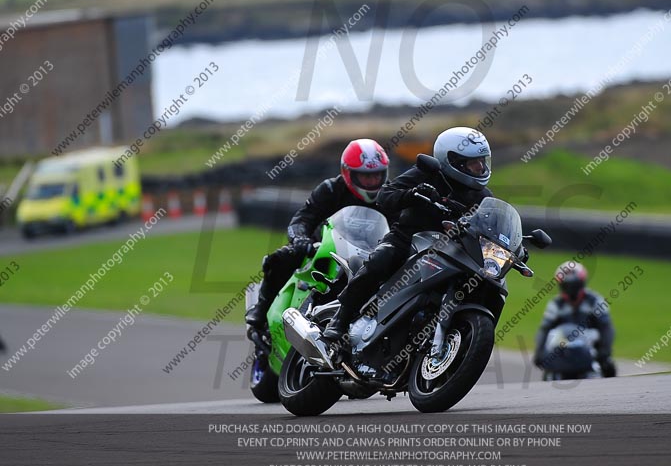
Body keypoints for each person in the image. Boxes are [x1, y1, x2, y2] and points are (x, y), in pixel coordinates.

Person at [322, 127, 494, 340]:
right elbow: (385, 196)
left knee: (482, 280)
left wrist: (514, 244)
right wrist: (412, 194)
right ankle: (341, 317)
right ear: (454, 161)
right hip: (408, 240)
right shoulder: (427, 173)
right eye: (473, 163)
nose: (480, 167)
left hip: (452, 251)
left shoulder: (483, 196)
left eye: (482, 161)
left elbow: (489, 224)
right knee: (381, 259)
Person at [245, 139, 390, 334]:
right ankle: (261, 309)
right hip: (324, 248)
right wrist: (300, 239)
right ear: (348, 173)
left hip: (370, 254)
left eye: (377, 176)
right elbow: (303, 219)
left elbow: (402, 224)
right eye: (366, 177)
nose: (372, 182)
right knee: (283, 257)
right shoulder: (330, 190)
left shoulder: (390, 194)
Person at [533, 261, 616, 378]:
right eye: (566, 285)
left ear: (581, 283)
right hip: (563, 348)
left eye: (574, 285)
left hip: (591, 348)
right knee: (547, 370)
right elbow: (545, 329)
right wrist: (539, 352)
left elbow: (606, 327)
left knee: (608, 366)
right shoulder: (556, 304)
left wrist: (605, 350)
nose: (570, 289)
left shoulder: (595, 301)